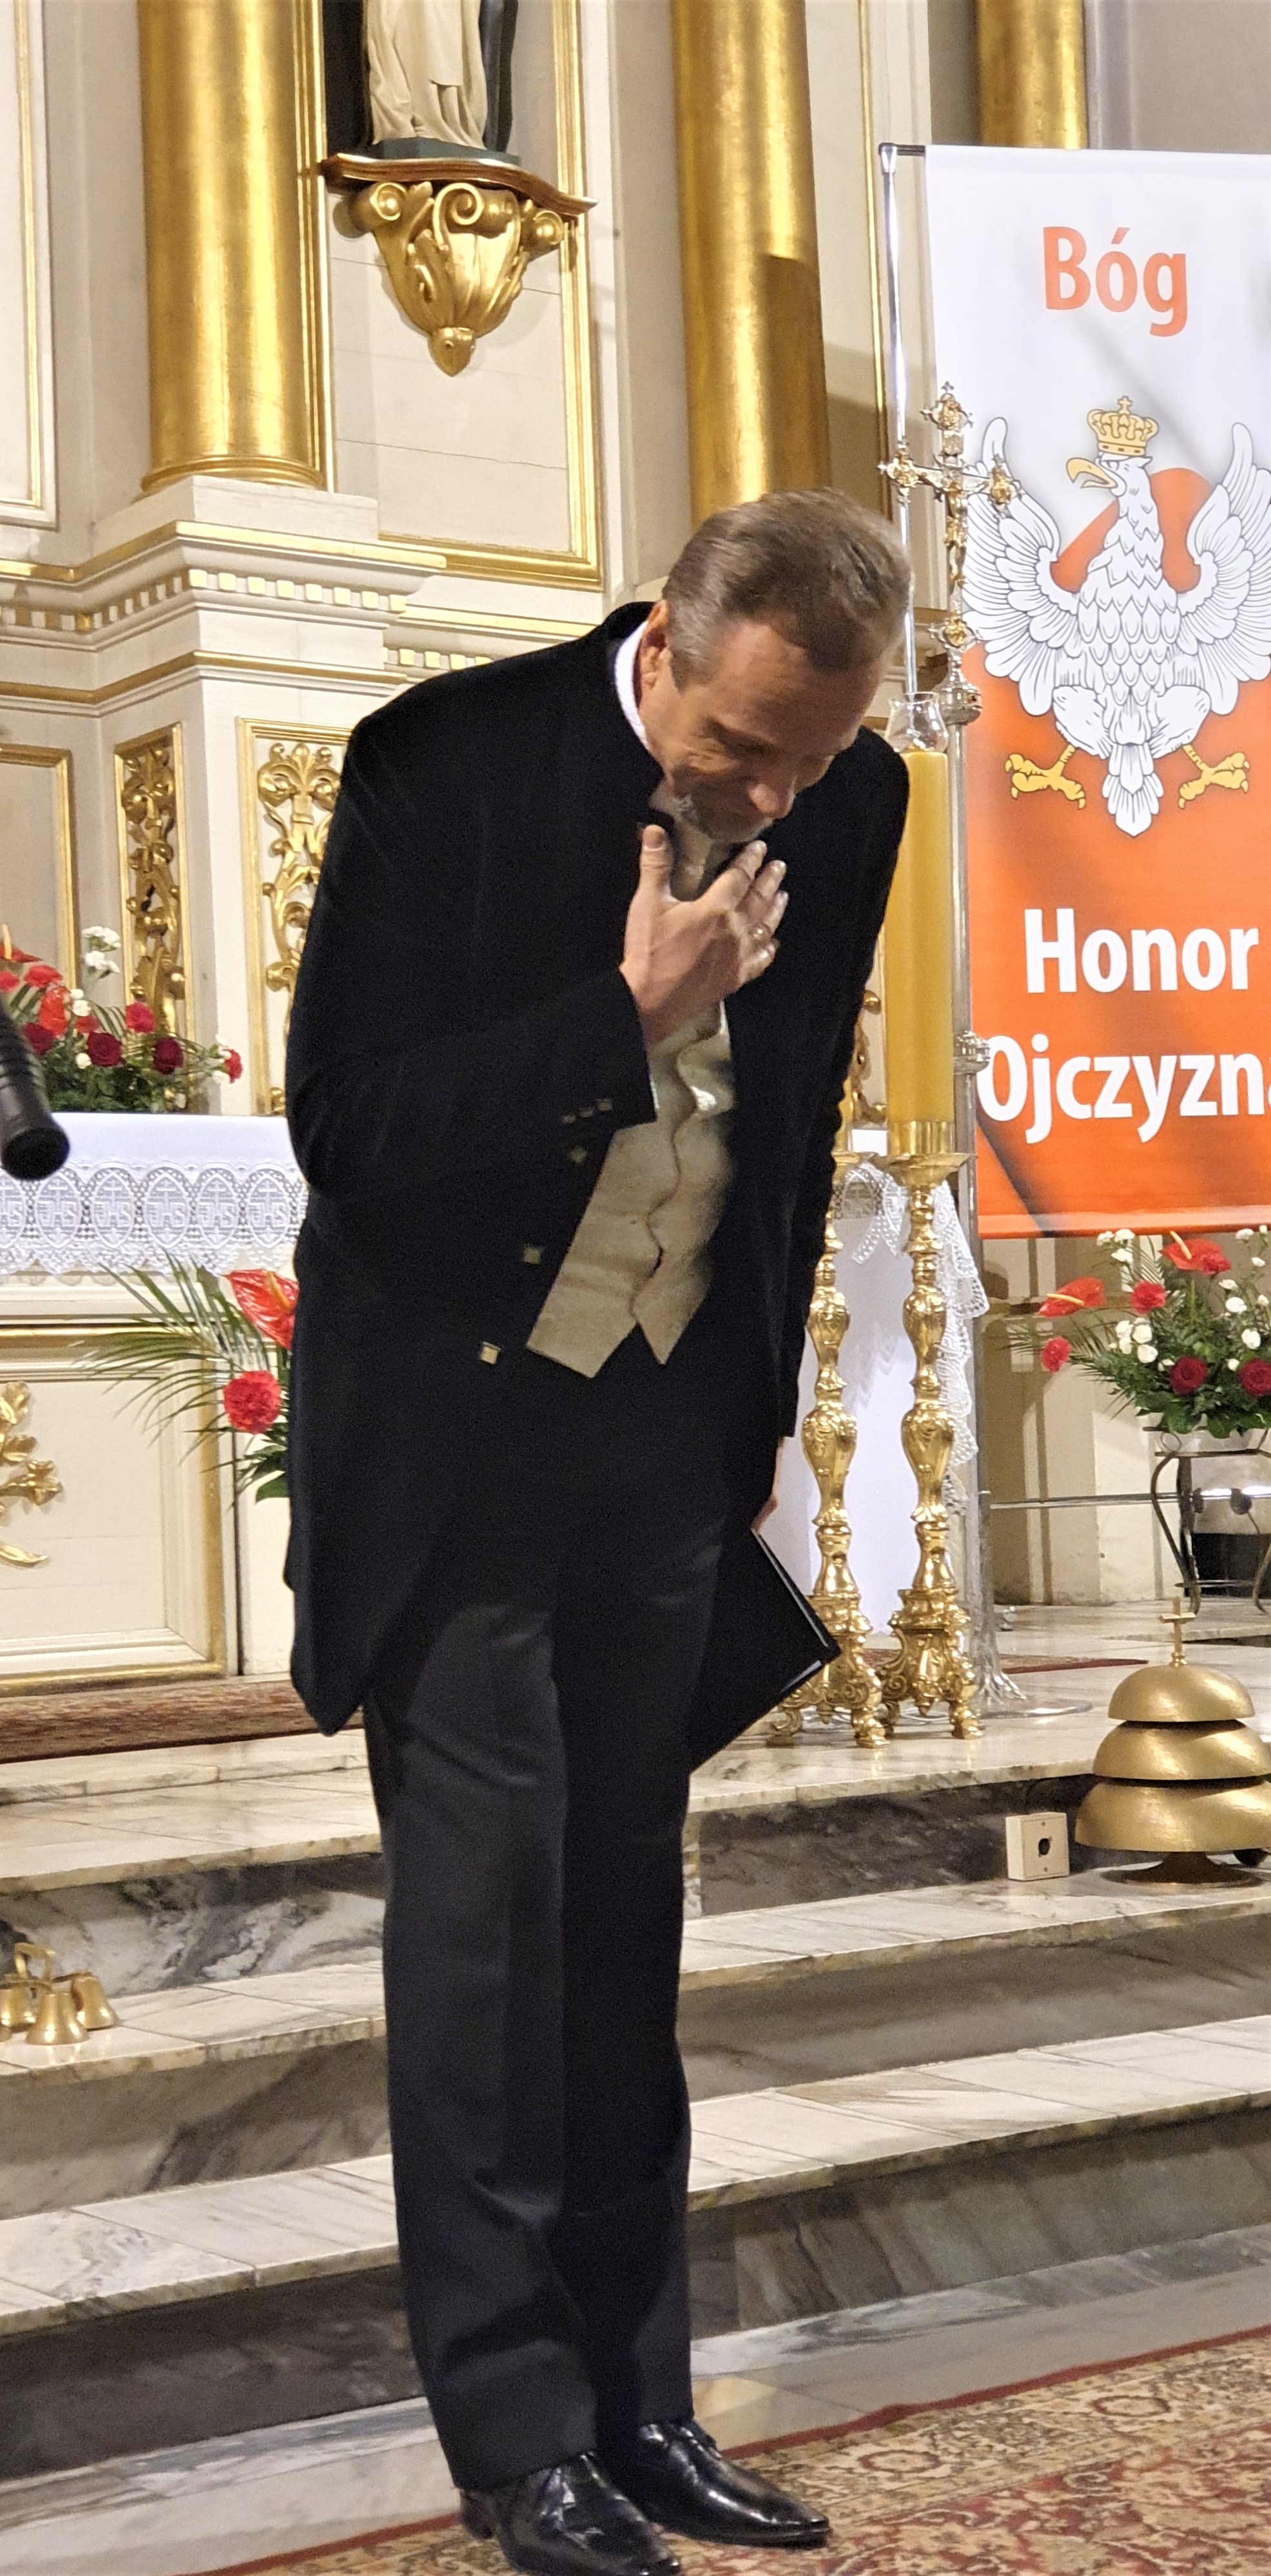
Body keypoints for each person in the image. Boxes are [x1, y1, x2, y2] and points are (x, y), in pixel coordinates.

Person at [286, 490, 911, 2576]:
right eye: (740, 748)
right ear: (663, 637)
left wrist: (749, 1424)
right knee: (487, 1945)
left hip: (660, 1441)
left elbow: (790, 1122)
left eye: (812, 757)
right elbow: (348, 1128)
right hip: (460, 1448)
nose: (774, 794)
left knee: (623, 1936)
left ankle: (644, 2409)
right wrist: (618, 1020)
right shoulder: (442, 762)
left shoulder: (855, 796)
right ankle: (517, 2437)